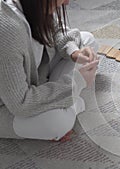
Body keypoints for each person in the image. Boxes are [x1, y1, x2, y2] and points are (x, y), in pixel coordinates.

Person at [0, 0, 99, 141]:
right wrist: (76, 83)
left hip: (35, 77)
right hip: (9, 106)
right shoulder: (7, 30)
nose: (67, 2)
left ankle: (62, 103)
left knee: (88, 40)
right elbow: (21, 103)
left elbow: (55, 27)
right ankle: (70, 104)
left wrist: (73, 51)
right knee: (56, 123)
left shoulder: (32, 5)